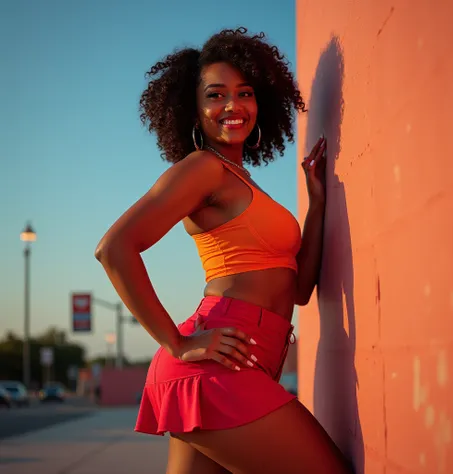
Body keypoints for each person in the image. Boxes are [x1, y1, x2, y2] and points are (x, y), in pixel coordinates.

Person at [95, 27, 351, 474]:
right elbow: (114, 249)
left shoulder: (242, 180)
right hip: (216, 367)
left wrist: (317, 202)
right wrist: (177, 343)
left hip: (247, 363)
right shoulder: (203, 169)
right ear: (193, 109)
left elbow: (301, 288)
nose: (233, 106)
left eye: (245, 92)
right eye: (215, 95)